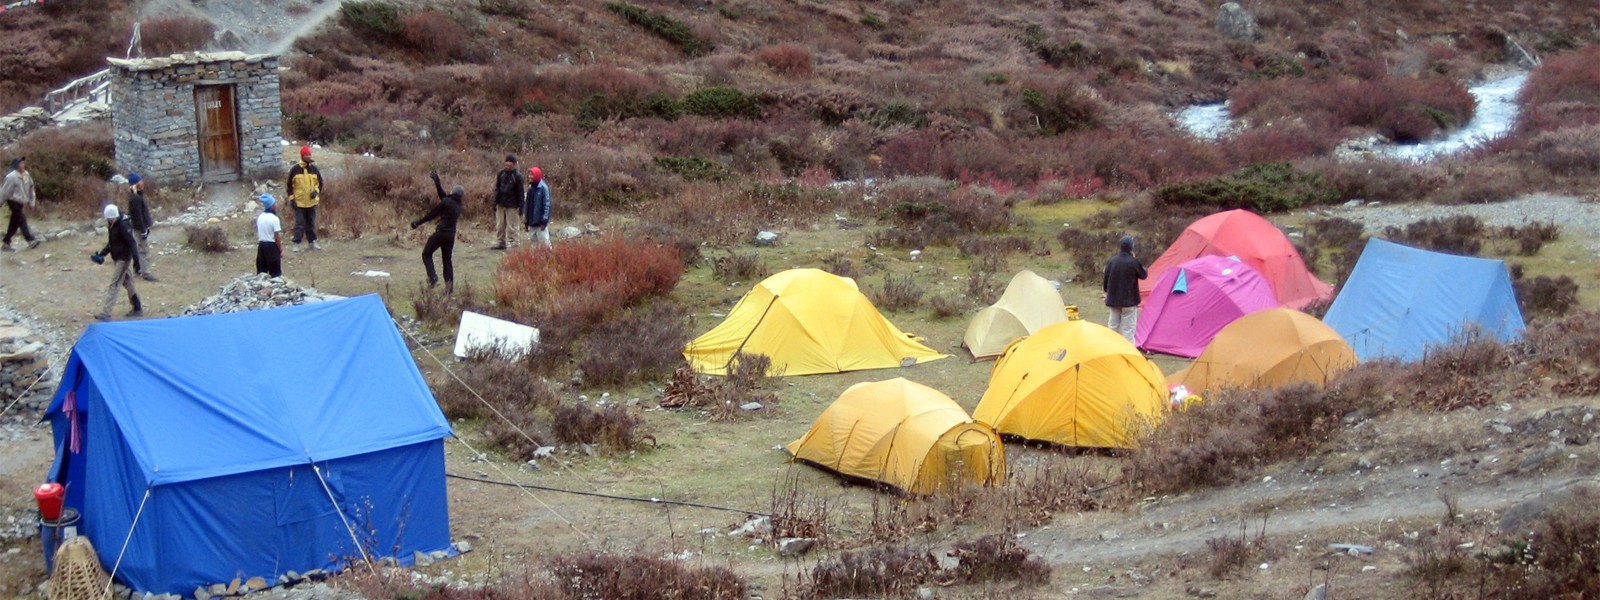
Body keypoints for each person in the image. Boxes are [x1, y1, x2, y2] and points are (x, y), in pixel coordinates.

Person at [411, 171, 462, 294]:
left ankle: (433, 277)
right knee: (447, 260)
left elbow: (432, 214)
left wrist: (418, 222)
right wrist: (437, 183)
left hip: (441, 232)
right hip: (451, 235)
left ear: (453, 192)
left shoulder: (447, 202)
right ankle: (449, 289)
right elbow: (444, 198)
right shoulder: (457, 205)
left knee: (426, 253)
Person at [93, 204, 143, 321]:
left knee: (114, 285)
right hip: (117, 257)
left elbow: (132, 243)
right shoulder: (113, 224)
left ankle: (106, 313)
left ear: (113, 217)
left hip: (123, 259)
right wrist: (102, 254)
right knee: (128, 283)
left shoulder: (123, 225)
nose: (108, 221)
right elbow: (112, 243)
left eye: (109, 219)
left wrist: (136, 261)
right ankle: (137, 308)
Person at [1102, 235, 1147, 342]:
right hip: (1129, 301)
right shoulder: (1133, 262)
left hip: (1113, 299)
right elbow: (1143, 275)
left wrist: (1107, 292)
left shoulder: (1112, 261)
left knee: (1112, 327)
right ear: (1131, 248)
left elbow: (1106, 279)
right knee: (1128, 329)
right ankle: (1128, 353)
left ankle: (1111, 350)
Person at [285, 145, 323, 252]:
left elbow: (320, 184)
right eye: (306, 154)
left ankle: (312, 243)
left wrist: (316, 192)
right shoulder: (295, 170)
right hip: (299, 202)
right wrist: (292, 199)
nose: (308, 156)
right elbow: (289, 186)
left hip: (312, 202)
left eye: (309, 154)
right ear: (302, 156)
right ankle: (296, 244)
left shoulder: (314, 169)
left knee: (311, 223)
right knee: (300, 224)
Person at [2, 157, 41, 251]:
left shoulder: (26, 174)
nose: (23, 165)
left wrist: (32, 202)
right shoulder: (11, 177)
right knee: (22, 219)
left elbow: (31, 188)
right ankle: (30, 240)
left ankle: (6, 243)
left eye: (23, 163)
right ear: (16, 166)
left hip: (21, 202)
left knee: (14, 223)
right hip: (13, 201)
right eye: (20, 163)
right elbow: (5, 192)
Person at [125, 173, 157, 281]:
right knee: (144, 250)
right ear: (136, 184)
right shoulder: (135, 198)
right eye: (140, 181)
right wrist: (143, 230)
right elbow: (137, 216)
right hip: (140, 228)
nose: (142, 183)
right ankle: (146, 273)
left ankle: (138, 269)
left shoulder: (138, 195)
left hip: (141, 227)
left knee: (139, 249)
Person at [492, 154, 525, 250]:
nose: (508, 163)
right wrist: (495, 202)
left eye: (510, 162)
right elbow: (497, 188)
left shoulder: (518, 176)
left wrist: (521, 206)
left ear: (514, 164)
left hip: (512, 205)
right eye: (507, 161)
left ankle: (513, 244)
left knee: (512, 226)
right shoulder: (501, 174)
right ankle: (500, 242)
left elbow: (520, 192)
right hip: (501, 203)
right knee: (500, 225)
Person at [523, 165, 551, 249]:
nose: (530, 177)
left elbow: (547, 205)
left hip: (540, 222)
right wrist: (526, 221)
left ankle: (549, 259)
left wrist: (544, 220)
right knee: (533, 245)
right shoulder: (530, 188)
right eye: (529, 174)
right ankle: (536, 260)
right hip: (532, 221)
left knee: (545, 244)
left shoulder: (543, 188)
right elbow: (527, 204)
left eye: (532, 174)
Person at [255, 193, 283, 278]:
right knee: (275, 273)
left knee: (261, 272)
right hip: (271, 246)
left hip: (261, 246)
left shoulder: (260, 217)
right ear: (272, 206)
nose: (276, 205)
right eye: (275, 204)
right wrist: (280, 249)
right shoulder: (274, 219)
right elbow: (277, 236)